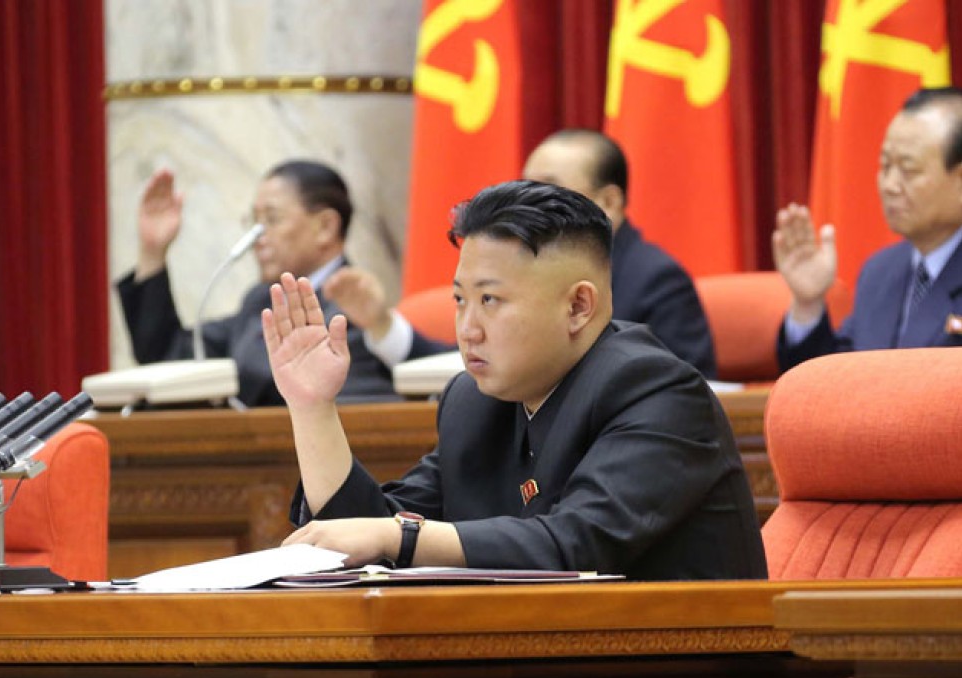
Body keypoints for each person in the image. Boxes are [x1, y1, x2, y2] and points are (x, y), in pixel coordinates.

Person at [266, 180, 767, 581]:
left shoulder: (655, 390)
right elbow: (367, 529)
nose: (468, 328)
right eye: (460, 299)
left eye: (491, 301)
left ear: (578, 306)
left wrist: (401, 536)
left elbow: (574, 545)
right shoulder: (473, 401)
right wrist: (312, 407)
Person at [333, 130, 718, 378]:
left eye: (548, 189)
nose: (529, 202)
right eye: (525, 186)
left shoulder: (655, 278)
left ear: (609, 201)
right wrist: (382, 324)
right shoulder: (520, 273)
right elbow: (482, 355)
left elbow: (688, 389)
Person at [117, 161, 400, 406]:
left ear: (325, 227)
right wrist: (153, 252)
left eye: (271, 219)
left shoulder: (357, 310)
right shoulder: (260, 301)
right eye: (254, 222)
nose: (256, 237)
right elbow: (170, 357)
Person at [775, 87, 962, 371]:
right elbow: (833, 382)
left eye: (908, 170)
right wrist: (808, 304)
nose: (889, 185)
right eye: (885, 166)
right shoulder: (880, 273)